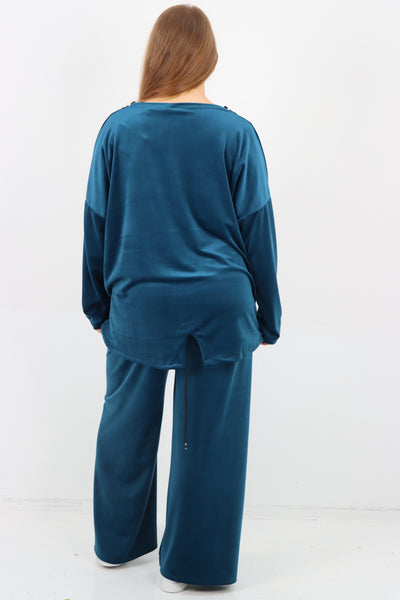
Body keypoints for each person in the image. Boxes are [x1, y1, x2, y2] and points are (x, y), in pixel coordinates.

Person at [81, 3, 282, 593]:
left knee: (125, 426)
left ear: (157, 55)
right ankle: (194, 568)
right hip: (218, 309)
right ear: (208, 58)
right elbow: (259, 232)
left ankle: (116, 545)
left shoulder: (117, 130)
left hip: (138, 304)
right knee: (208, 441)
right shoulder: (236, 134)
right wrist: (267, 315)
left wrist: (97, 307)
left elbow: (96, 223)